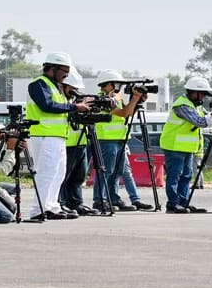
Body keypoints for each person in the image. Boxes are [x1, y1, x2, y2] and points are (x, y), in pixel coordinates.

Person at [25, 51, 91, 222]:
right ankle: (38, 209)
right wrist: (75, 107)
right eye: (64, 71)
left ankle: (51, 206)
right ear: (52, 68)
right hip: (44, 135)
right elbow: (47, 105)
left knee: (58, 173)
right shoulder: (39, 84)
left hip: (57, 136)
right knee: (46, 172)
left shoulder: (56, 87)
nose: (66, 75)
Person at [160, 76, 212, 214]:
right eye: (202, 94)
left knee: (186, 176)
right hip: (174, 146)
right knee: (175, 176)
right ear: (193, 92)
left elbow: (209, 118)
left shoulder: (197, 106)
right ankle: (173, 204)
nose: (203, 97)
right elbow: (200, 122)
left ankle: (183, 203)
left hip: (186, 148)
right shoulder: (182, 105)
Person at [92, 70, 150, 213]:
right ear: (108, 84)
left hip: (119, 139)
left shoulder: (116, 98)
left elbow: (128, 113)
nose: (120, 87)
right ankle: (100, 200)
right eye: (117, 84)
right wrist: (135, 98)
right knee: (106, 171)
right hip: (107, 139)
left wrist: (136, 101)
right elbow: (123, 113)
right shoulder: (102, 99)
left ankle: (114, 199)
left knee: (117, 172)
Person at [58, 71, 94, 216]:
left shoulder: (77, 101)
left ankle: (76, 203)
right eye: (72, 88)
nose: (75, 91)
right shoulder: (62, 102)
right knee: (63, 177)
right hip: (67, 144)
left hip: (81, 142)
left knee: (79, 177)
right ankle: (60, 203)